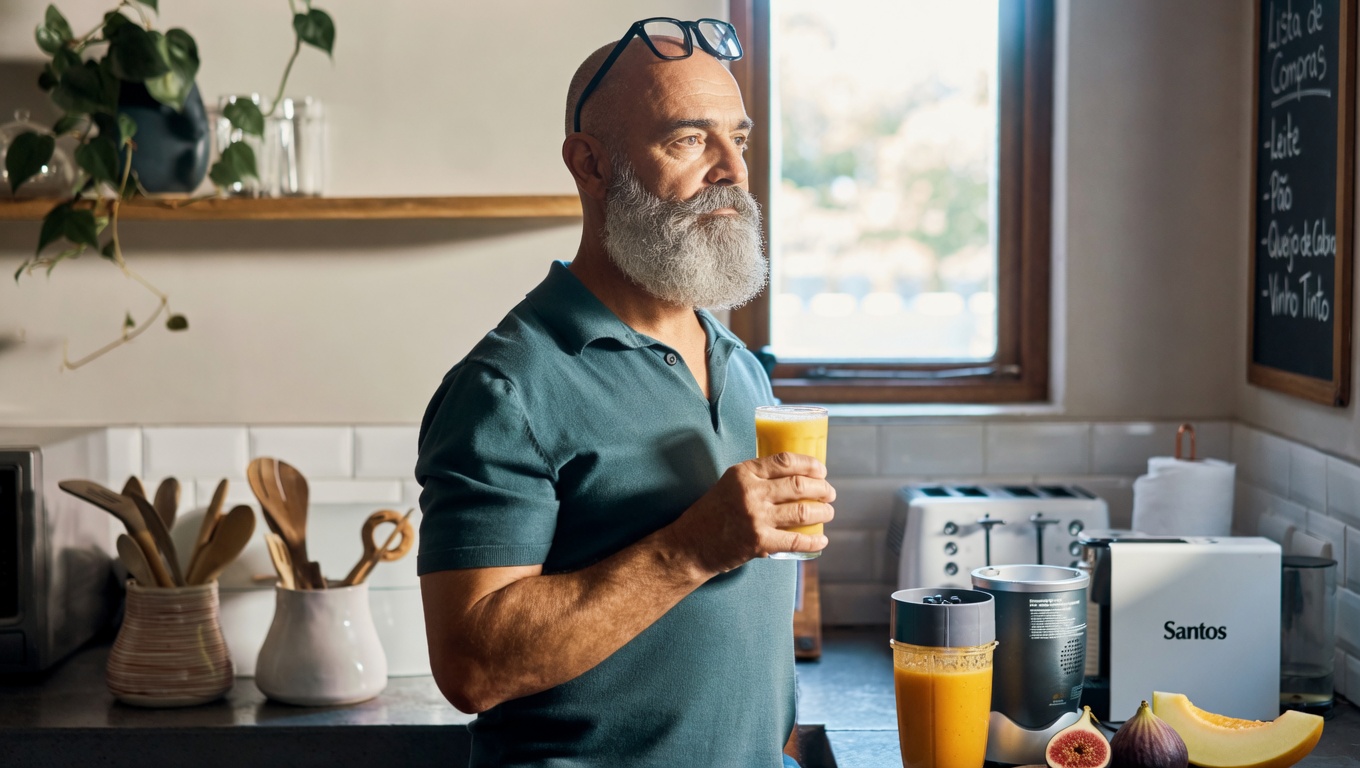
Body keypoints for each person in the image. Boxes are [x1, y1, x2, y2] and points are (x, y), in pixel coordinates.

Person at [416, 18, 836, 768]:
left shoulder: (742, 367)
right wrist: (691, 548)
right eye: (688, 140)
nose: (733, 170)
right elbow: (470, 668)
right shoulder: (506, 388)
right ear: (592, 163)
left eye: (738, 138)